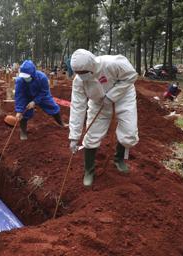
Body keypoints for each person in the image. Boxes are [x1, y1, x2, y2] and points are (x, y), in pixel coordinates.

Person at [69, 49, 139, 187]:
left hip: (124, 97)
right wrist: (74, 136)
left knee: (129, 134)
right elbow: (77, 107)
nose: (81, 76)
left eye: (83, 73)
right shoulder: (79, 81)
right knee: (91, 136)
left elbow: (131, 76)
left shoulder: (112, 63)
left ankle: (119, 159)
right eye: (78, 73)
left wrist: (113, 95)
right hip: (98, 103)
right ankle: (89, 170)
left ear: (92, 66)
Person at [15, 60, 66, 140]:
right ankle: (23, 132)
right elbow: (19, 95)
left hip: (41, 95)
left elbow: (44, 92)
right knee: (23, 112)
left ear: (32, 73)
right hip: (27, 96)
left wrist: (35, 101)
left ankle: (61, 123)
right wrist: (19, 110)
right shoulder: (20, 80)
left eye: (27, 76)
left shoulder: (42, 77)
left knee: (52, 105)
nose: (25, 78)